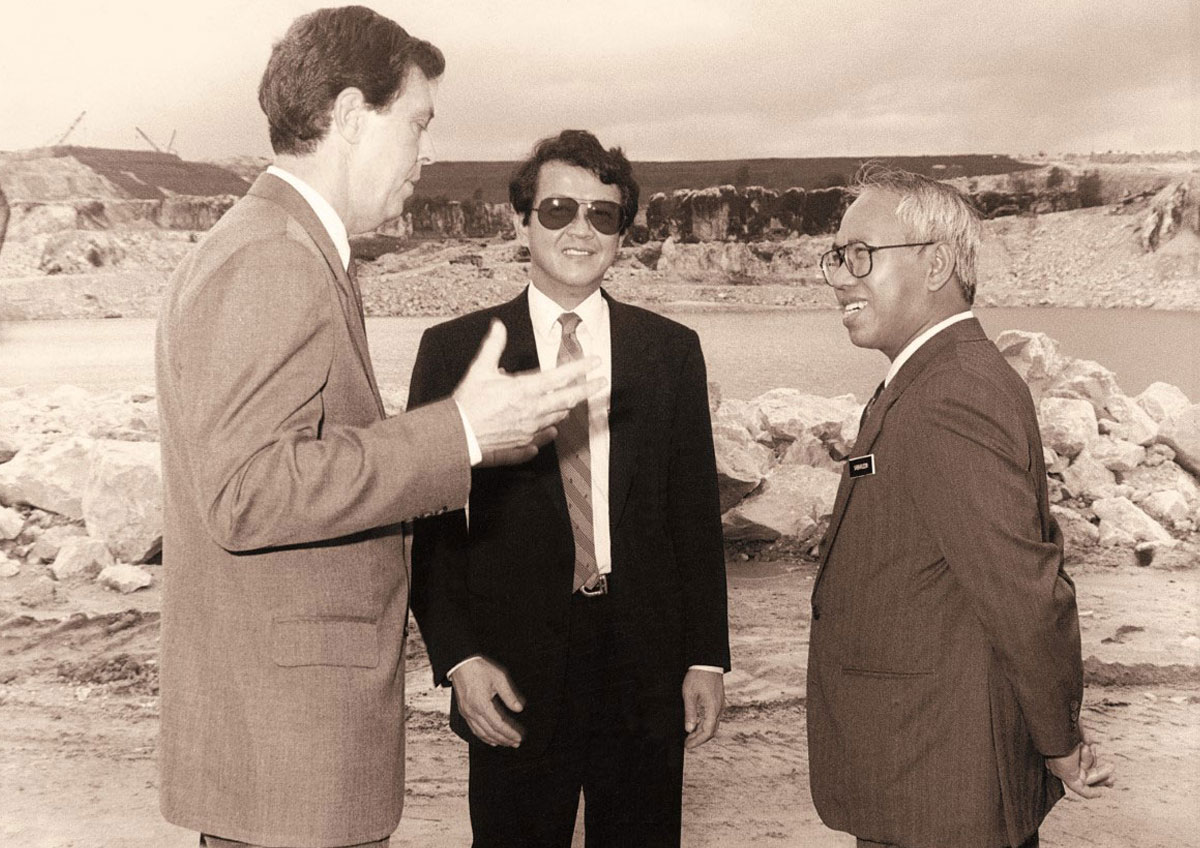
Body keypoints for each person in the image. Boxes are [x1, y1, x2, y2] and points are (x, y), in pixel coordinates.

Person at [154, 9, 604, 848]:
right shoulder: (273, 257)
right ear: (355, 118)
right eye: (418, 124)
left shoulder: (280, 245)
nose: (426, 154)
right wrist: (457, 435)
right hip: (291, 764)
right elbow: (246, 492)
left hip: (280, 754)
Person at [408, 129, 730, 848]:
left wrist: (706, 656)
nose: (580, 229)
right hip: (510, 673)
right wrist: (457, 659)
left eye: (603, 214)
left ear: (623, 233)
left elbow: (693, 516)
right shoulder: (457, 348)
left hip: (645, 669)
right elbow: (429, 527)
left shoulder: (671, 352)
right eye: (558, 209)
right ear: (521, 221)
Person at [806, 165, 1114, 848]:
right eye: (836, 256)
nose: (840, 277)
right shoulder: (928, 376)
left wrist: (1058, 741)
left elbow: (1023, 595)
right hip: (919, 769)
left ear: (937, 262)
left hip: (940, 784)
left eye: (862, 255)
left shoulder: (952, 393)